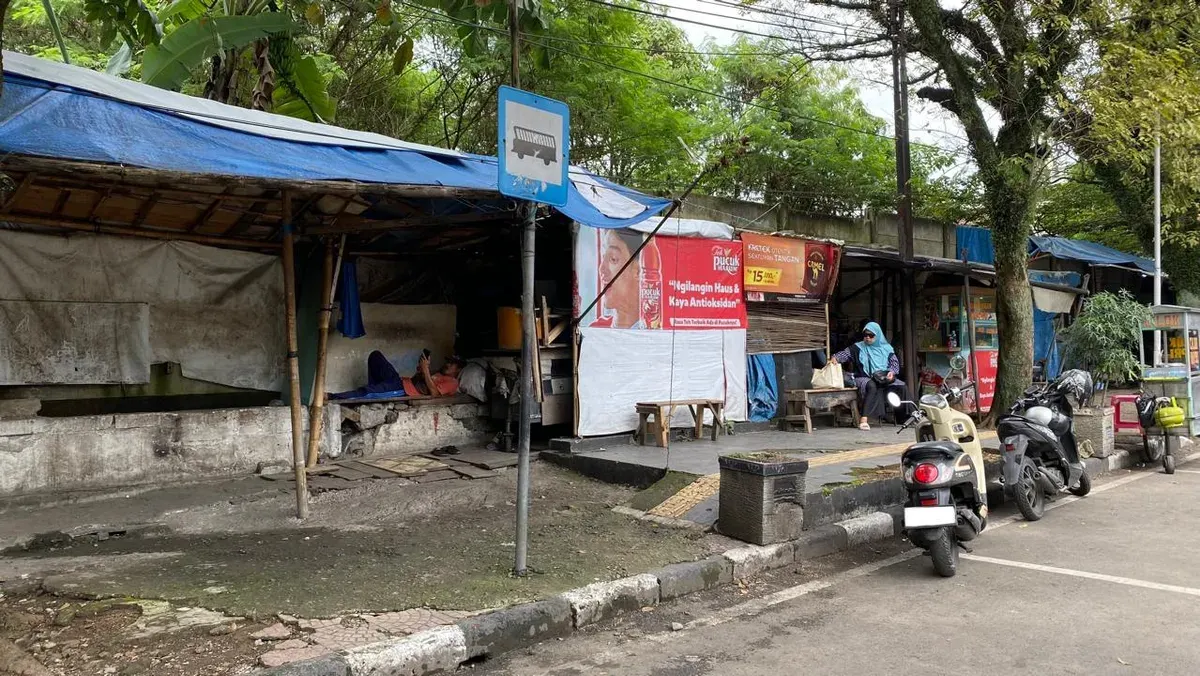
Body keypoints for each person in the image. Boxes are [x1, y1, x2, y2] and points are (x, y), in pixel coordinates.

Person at [830, 321, 904, 430]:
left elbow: (894, 364)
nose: (867, 338)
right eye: (865, 335)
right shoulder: (858, 347)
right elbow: (844, 354)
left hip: (883, 377)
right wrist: (836, 358)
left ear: (878, 335)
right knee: (871, 385)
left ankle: (905, 418)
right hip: (863, 377)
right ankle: (864, 419)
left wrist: (891, 372)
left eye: (871, 335)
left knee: (902, 386)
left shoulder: (887, 348)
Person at [332, 351, 462, 399]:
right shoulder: (438, 372)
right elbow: (419, 379)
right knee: (376, 356)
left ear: (458, 369)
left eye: (452, 364)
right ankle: (378, 389)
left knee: (368, 392)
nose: (448, 364)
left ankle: (332, 396)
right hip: (401, 381)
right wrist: (422, 370)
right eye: (448, 361)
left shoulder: (452, 382)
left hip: (405, 390)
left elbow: (434, 393)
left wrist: (426, 370)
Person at [591, 229, 645, 328]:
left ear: (638, 270)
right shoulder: (595, 329)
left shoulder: (654, 330)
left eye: (613, 259)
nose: (602, 269)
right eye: (603, 257)